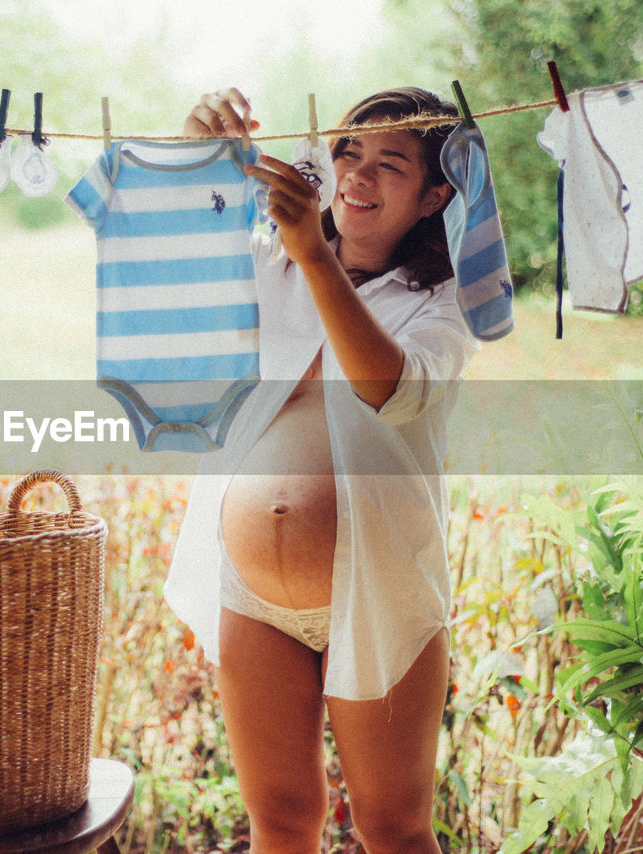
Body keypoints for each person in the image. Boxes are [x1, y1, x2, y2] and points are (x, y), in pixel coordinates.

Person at [164, 86, 476, 853]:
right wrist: (197, 150)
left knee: (394, 829)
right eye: (348, 153)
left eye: (390, 164)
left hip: (381, 593)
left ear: (436, 194)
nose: (358, 177)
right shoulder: (268, 264)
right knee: (279, 821)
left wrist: (311, 252)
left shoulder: (445, 306)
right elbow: (176, 268)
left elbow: (388, 388)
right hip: (252, 596)